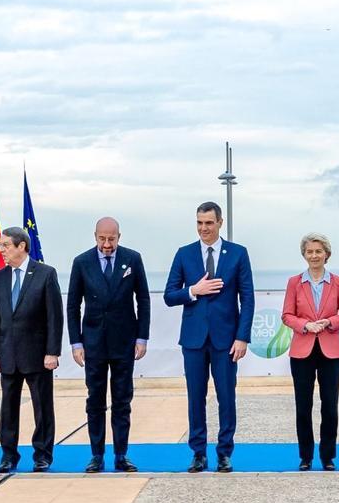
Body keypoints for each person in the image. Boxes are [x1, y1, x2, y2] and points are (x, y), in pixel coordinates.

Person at [164, 201, 255, 473]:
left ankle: (225, 453)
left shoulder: (238, 254)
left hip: (226, 341)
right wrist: (194, 289)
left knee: (226, 397)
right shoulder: (184, 254)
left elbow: (247, 298)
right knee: (196, 397)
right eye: (199, 223)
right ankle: (198, 454)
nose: (203, 228)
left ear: (220, 223)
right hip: (193, 340)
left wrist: (242, 337)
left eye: (209, 223)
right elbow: (169, 295)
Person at [68, 217, 150, 473]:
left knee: (122, 400)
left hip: (124, 341)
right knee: (95, 400)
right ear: (95, 236)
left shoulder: (132, 259)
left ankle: (121, 454)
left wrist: (142, 337)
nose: (106, 244)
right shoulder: (81, 262)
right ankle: (96, 455)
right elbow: (72, 305)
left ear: (119, 237)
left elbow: (144, 299)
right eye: (102, 239)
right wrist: (75, 342)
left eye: (111, 239)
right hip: (92, 343)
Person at [0, 227, 63, 473]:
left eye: (6, 245)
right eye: (1, 246)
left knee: (42, 407)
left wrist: (53, 352)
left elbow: (55, 317)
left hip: (38, 355)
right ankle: (8, 455)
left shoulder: (45, 274)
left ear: (21, 246)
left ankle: (42, 454)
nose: (2, 250)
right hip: (8, 354)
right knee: (8, 408)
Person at [281, 233, 339, 471]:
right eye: (310, 252)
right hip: (302, 350)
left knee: (330, 405)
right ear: (304, 255)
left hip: (330, 350)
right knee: (303, 405)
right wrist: (305, 325)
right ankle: (305, 456)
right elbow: (287, 315)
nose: (314, 256)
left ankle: (328, 456)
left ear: (327, 255)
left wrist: (329, 322)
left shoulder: (338, 282)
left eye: (318, 251)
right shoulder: (294, 282)